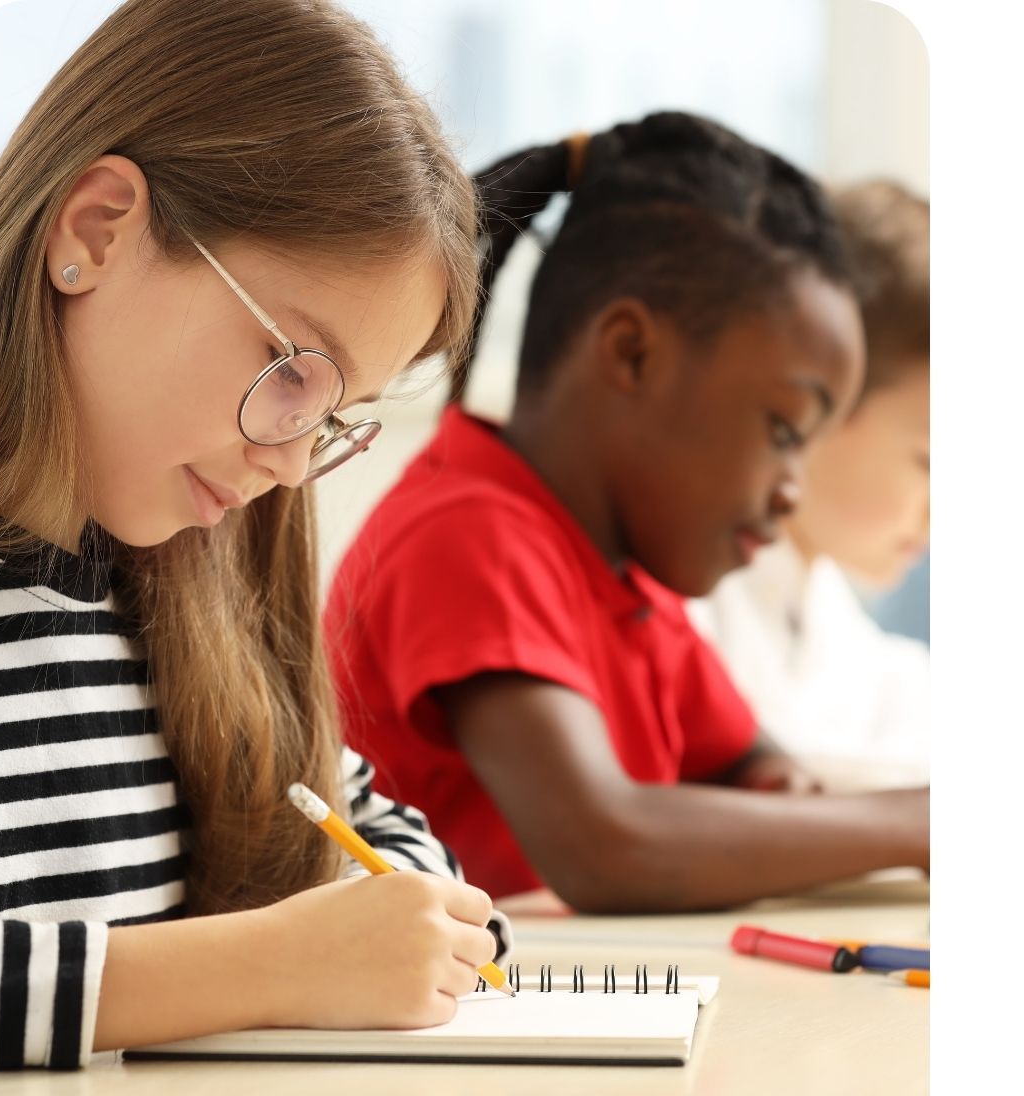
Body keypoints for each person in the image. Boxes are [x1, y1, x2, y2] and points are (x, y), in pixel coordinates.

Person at [0, 0, 507, 1072]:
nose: (293, 462)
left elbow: (372, 824)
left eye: (335, 415)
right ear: (96, 231)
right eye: (292, 371)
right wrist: (271, 963)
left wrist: (408, 918)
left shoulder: (181, 594)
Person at [323, 114, 930, 912]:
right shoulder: (469, 531)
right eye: (783, 432)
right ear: (631, 354)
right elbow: (605, 844)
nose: (791, 487)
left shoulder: (626, 578)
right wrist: (917, 825)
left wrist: (802, 795)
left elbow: (757, 770)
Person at [688, 181, 930, 785]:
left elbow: (899, 693)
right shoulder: (694, 585)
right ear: (817, 403)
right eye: (930, 463)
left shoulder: (815, 593)